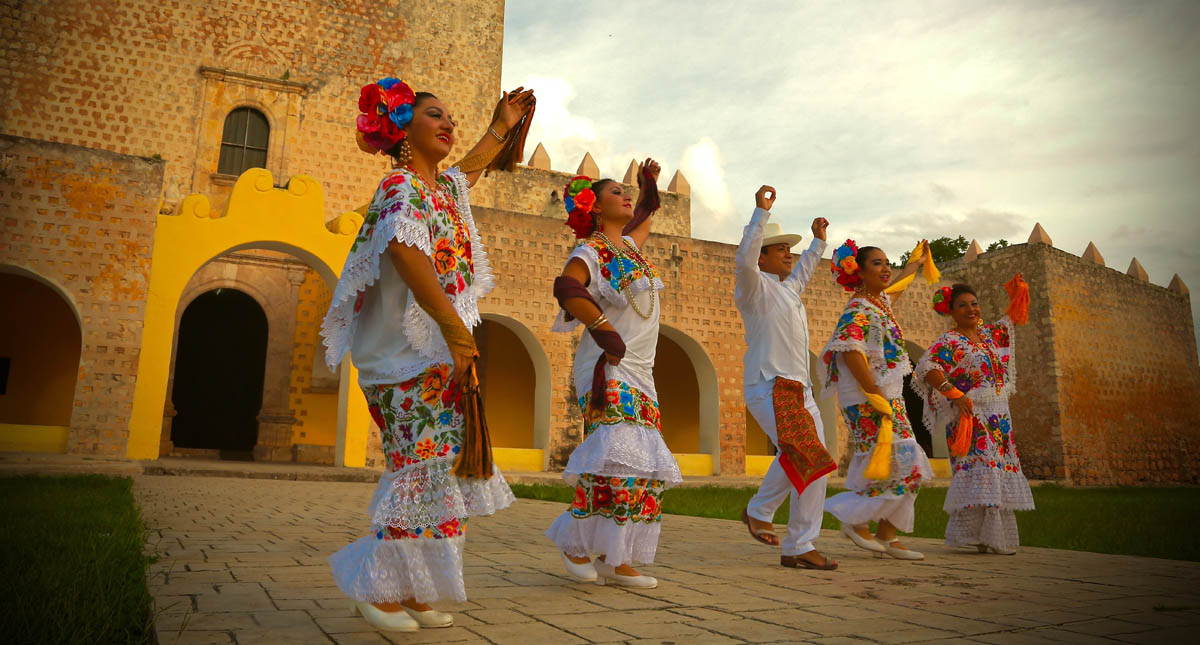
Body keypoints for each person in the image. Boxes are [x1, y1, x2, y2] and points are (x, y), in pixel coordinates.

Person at [320, 77, 534, 632]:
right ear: (403, 130)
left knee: (438, 471)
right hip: (402, 356)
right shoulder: (399, 191)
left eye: (449, 117)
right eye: (433, 114)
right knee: (418, 466)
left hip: (437, 355)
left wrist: (502, 126)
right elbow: (411, 259)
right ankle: (378, 587)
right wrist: (457, 332)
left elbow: (473, 165)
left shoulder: (442, 192)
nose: (447, 123)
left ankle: (414, 588)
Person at [546, 159, 682, 588]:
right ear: (596, 208)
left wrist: (648, 184)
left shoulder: (632, 247)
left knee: (641, 467)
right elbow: (567, 288)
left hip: (642, 371)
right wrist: (604, 331)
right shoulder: (591, 250)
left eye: (627, 192)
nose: (625, 197)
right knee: (617, 457)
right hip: (610, 366)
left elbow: (645, 212)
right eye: (615, 193)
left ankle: (616, 555)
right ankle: (575, 543)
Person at [734, 185, 837, 570]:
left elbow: (805, 269)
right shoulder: (753, 289)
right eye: (780, 250)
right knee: (803, 452)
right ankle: (765, 515)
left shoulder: (789, 291)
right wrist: (759, 214)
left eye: (788, 250)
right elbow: (744, 260)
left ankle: (797, 542)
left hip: (800, 389)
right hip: (771, 385)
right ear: (762, 257)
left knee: (817, 461)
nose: (787, 255)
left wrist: (817, 243)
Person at [820, 241, 935, 560]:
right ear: (858, 271)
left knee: (894, 463)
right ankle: (854, 519)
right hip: (867, 398)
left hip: (888, 397)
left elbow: (899, 285)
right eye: (877, 263)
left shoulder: (879, 303)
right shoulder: (858, 309)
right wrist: (873, 392)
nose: (885, 268)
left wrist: (915, 263)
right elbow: (852, 352)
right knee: (901, 461)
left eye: (887, 262)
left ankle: (887, 534)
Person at [914, 277, 1034, 555]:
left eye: (975, 304)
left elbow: (1013, 318)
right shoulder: (951, 341)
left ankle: (987, 535)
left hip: (999, 416)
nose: (971, 309)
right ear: (951, 312)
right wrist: (954, 393)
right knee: (983, 469)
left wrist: (1021, 292)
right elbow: (927, 367)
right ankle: (987, 537)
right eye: (963, 305)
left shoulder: (992, 336)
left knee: (997, 469)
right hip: (971, 415)